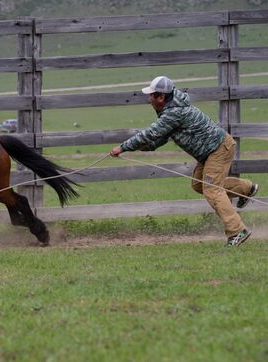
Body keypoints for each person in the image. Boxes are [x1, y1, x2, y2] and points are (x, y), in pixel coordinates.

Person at [110, 76, 259, 246]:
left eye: (151, 95)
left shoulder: (173, 113)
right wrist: (141, 148)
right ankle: (246, 188)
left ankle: (237, 231)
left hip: (218, 149)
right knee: (198, 185)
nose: (149, 99)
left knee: (211, 189)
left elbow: (150, 133)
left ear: (161, 97)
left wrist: (123, 147)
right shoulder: (170, 111)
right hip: (210, 152)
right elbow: (159, 138)